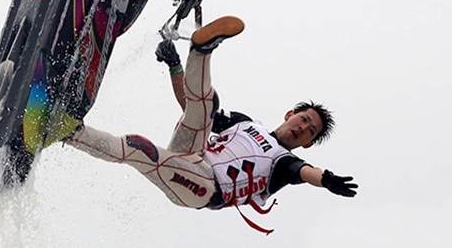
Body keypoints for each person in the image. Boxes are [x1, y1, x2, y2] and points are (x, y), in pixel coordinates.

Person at [65, 16, 357, 233]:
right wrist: (174, 67)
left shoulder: (284, 162)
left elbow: (305, 173)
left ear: (307, 142)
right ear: (290, 113)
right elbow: (191, 106)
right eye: (304, 119)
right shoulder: (246, 124)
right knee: (208, 104)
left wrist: (326, 179)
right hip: (191, 155)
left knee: (140, 149)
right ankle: (201, 51)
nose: (302, 128)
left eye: (310, 131)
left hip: (203, 188)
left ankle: (68, 131)